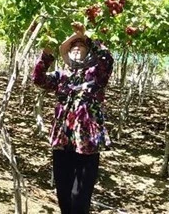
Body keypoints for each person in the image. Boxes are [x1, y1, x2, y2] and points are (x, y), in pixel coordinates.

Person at [32, 22, 114, 214]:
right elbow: (38, 79)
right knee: (63, 195)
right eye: (73, 46)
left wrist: (88, 37)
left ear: (89, 51)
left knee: (80, 198)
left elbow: (107, 59)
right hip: (63, 140)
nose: (76, 48)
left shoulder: (96, 74)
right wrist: (47, 53)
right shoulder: (62, 76)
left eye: (81, 46)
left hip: (86, 144)